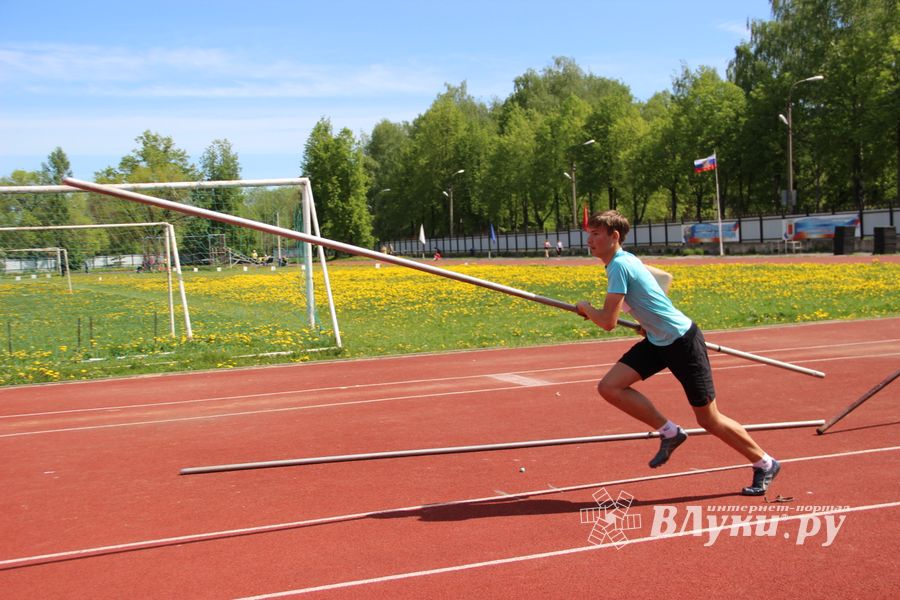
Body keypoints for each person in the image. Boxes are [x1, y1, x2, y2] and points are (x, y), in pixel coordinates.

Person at [575, 210, 780, 496]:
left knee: (709, 419)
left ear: (614, 237)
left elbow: (608, 322)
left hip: (682, 341)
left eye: (596, 233)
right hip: (659, 341)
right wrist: (647, 322)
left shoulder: (620, 265)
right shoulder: (624, 261)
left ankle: (765, 462)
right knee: (610, 387)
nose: (589, 240)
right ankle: (671, 432)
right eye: (589, 233)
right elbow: (659, 284)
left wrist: (587, 308)